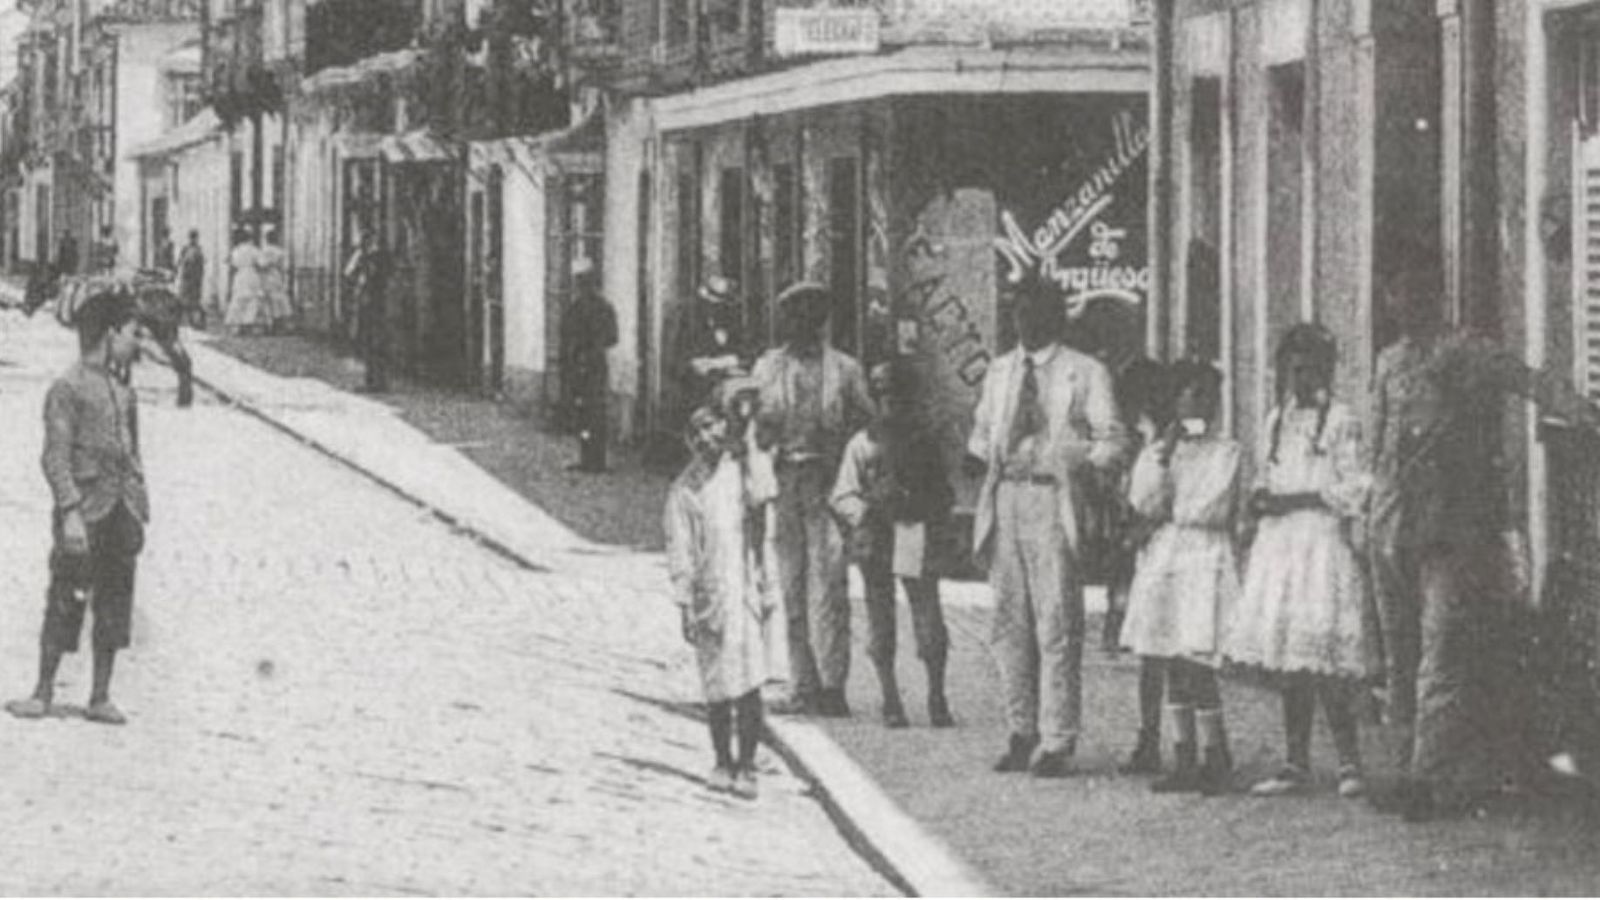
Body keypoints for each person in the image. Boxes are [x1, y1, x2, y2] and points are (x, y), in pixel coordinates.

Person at [1367, 266, 1600, 821]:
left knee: (1441, 650)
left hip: (1450, 525)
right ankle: (1407, 767)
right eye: (1397, 293)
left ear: (1436, 296)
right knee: (1400, 655)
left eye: (1417, 292)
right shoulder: (1389, 362)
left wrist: (1586, 413)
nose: (1406, 303)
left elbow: (1529, 380)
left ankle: (1427, 776)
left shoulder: (1466, 351)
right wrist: (1368, 513)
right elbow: (1380, 446)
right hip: (1392, 523)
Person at [968, 283, 1128, 777]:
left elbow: (1113, 439)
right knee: (1009, 620)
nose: (1026, 319)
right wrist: (982, 454)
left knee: (1056, 619)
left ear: (1057, 315)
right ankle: (1021, 730)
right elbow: (980, 431)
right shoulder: (1000, 371)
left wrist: (1074, 459)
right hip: (1007, 495)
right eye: (1019, 310)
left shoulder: (1084, 371)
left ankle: (1058, 738)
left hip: (1052, 497)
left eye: (1037, 309)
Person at [1227, 323, 1369, 799]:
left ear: (1325, 369)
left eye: (1309, 368)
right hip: (1280, 546)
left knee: (1324, 660)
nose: (1300, 377)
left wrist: (1302, 498)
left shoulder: (1342, 420)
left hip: (1319, 544)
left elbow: (1354, 488)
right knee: (1291, 660)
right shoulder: (1275, 421)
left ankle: (1350, 761)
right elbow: (1266, 478)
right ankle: (1296, 762)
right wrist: (1261, 500)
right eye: (1293, 368)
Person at [6, 289, 148, 726]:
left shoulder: (124, 392)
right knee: (67, 598)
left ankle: (100, 695)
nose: (138, 341)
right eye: (132, 332)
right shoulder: (67, 388)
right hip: (84, 514)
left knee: (115, 602)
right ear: (109, 334)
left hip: (120, 511)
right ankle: (43, 690)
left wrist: (139, 503)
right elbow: (55, 456)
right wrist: (69, 509)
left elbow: (133, 451)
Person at [753, 282, 874, 717]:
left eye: (812, 315)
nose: (803, 324)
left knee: (831, 584)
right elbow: (759, 430)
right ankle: (802, 683)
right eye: (795, 315)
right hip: (787, 483)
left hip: (828, 481)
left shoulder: (844, 369)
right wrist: (763, 429)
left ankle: (833, 684)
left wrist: (848, 462)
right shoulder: (769, 367)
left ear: (822, 321)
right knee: (791, 582)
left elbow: (866, 422)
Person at [1118, 360, 1239, 794]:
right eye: (1192, 395)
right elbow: (1145, 501)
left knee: (1197, 658)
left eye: (1209, 396)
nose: (1201, 404)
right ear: (1176, 401)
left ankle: (1214, 754)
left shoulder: (1227, 451)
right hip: (1168, 557)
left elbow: (1212, 506)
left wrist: (1171, 510)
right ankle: (1183, 754)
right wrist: (1165, 455)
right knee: (1170, 656)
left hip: (1203, 555)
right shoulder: (1159, 453)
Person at [830, 360, 955, 729]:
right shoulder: (863, 443)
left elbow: (943, 492)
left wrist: (927, 511)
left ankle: (936, 694)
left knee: (926, 614)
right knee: (881, 615)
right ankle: (891, 697)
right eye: (883, 395)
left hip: (912, 529)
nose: (891, 403)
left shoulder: (924, 441)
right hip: (878, 533)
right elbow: (844, 494)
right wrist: (866, 512)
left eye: (897, 395)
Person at [664, 404, 778, 799]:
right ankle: (722, 760)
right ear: (689, 442)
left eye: (713, 433)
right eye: (698, 436)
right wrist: (684, 603)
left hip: (743, 586)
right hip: (708, 594)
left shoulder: (739, 472)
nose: (706, 442)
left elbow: (764, 497)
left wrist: (750, 449)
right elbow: (680, 550)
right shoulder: (684, 490)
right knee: (715, 684)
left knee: (748, 680)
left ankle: (747, 764)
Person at [559, 261, 619, 473]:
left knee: (584, 412)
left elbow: (566, 338)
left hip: (581, 364)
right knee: (596, 412)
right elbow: (613, 338)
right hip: (596, 365)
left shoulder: (575, 309)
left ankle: (589, 459)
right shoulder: (605, 307)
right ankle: (596, 460)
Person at [344, 231, 390, 393]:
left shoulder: (370, 259)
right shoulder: (375, 258)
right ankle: (375, 380)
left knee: (373, 343)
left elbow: (349, 273)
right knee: (371, 343)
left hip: (373, 305)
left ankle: (376, 381)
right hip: (373, 304)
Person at [225, 227, 264, 335]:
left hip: (240, 275)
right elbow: (261, 263)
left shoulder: (236, 251)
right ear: (249, 238)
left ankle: (238, 325)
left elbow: (231, 263)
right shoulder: (254, 250)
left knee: (239, 299)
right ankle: (248, 324)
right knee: (252, 299)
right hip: (251, 274)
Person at [257, 225, 291, 333]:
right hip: (276, 276)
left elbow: (261, 265)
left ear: (266, 239)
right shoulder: (280, 252)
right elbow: (284, 267)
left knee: (267, 301)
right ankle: (278, 324)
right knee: (278, 300)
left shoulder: (264, 251)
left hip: (266, 277)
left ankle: (268, 324)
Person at [177, 230, 206, 329]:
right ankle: (190, 321)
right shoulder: (187, 249)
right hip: (188, 277)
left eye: (194, 238)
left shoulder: (197, 250)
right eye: (192, 238)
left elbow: (201, 265)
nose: (193, 240)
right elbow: (180, 262)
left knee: (194, 300)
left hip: (193, 278)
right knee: (187, 300)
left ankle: (195, 322)